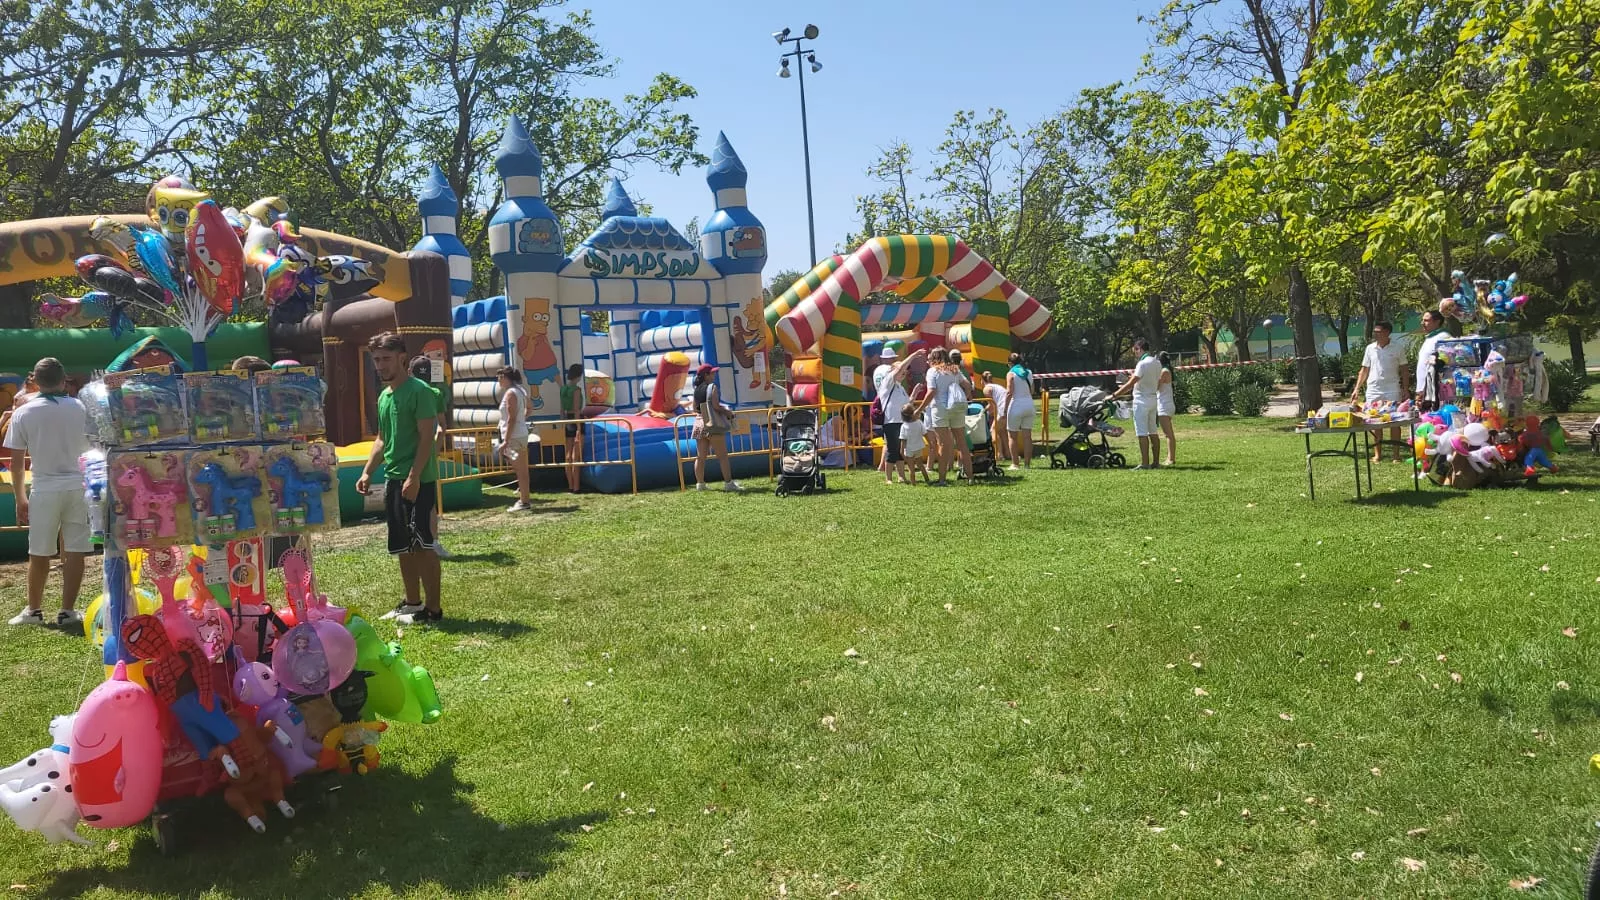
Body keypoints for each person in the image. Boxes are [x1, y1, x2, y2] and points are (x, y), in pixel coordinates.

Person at [357, 334, 442, 625]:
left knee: (422, 544)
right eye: (376, 359)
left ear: (402, 357)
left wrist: (414, 477)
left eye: (386, 359)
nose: (380, 365)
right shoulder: (384, 396)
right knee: (402, 545)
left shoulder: (420, 391)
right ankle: (412, 603)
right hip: (393, 479)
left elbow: (426, 438)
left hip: (418, 479)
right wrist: (367, 471)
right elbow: (382, 439)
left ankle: (433, 610)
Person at [5, 358, 89, 626]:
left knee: (39, 552)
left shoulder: (24, 412)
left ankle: (34, 611)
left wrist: (20, 497)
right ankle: (67, 611)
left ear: (35, 381)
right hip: (78, 486)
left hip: (44, 488)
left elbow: (17, 463)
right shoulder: (80, 407)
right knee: (76, 549)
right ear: (64, 380)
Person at [409, 356, 453, 557]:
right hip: (425, 454)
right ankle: (432, 541)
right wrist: (434, 449)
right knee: (429, 502)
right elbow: (443, 427)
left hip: (405, 454)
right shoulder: (435, 393)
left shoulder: (402, 392)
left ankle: (413, 541)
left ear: (410, 371)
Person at [1351, 320, 1410, 462]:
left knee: (1394, 422)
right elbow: (1364, 370)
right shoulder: (1370, 348)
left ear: (1387, 332)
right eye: (1375, 332)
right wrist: (1357, 388)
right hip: (1373, 390)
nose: (1375, 334)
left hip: (1392, 389)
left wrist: (1405, 388)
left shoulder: (1398, 348)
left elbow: (1404, 370)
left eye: (1378, 332)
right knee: (1375, 421)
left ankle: (1396, 455)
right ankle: (1377, 454)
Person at [1111, 338, 1164, 469]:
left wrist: (1114, 395)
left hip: (1141, 400)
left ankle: (1145, 463)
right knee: (1153, 432)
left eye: (1135, 350)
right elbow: (1156, 382)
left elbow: (1130, 384)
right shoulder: (1157, 362)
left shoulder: (1142, 363)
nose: (1135, 353)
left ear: (1139, 348)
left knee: (1142, 433)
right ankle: (1155, 462)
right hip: (1153, 398)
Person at [873, 346, 922, 485]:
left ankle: (901, 476)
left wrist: (915, 393)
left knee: (900, 450)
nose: (903, 374)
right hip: (891, 421)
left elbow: (908, 403)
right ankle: (888, 478)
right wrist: (913, 355)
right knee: (892, 450)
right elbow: (899, 369)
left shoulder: (900, 387)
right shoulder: (888, 382)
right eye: (902, 372)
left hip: (901, 421)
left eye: (905, 373)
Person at [691, 364, 743, 492]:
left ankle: (700, 484)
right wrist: (727, 413)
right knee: (722, 456)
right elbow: (715, 406)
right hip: (712, 424)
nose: (714, 375)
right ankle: (728, 483)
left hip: (699, 422)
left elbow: (694, 408)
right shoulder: (712, 387)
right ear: (706, 375)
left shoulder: (696, 390)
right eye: (712, 373)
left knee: (700, 456)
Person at [924, 348, 971, 485]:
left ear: (934, 358)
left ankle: (942, 479)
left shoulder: (933, 371)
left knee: (943, 445)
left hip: (940, 409)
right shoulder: (955, 369)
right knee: (962, 444)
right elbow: (967, 385)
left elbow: (931, 392)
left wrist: (920, 408)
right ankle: (970, 477)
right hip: (957, 408)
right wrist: (966, 398)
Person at [499, 366, 533, 509]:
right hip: (521, 433)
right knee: (522, 470)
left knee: (521, 470)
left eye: (500, 377)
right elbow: (529, 408)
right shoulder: (521, 390)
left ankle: (524, 501)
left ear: (507, 378)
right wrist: (521, 419)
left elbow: (511, 418)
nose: (498, 380)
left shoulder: (510, 393)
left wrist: (506, 441)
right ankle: (524, 498)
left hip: (513, 436)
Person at [1002, 353, 1036, 470]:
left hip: (1016, 405)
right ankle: (1027, 464)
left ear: (1010, 363)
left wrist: (1005, 409)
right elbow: (1032, 390)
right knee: (1027, 436)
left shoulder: (1010, 373)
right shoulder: (1029, 373)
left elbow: (1009, 392)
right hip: (1029, 405)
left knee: (1012, 436)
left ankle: (1015, 464)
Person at [1412, 309, 1450, 409]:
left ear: (1437, 322)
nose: (1422, 323)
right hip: (1422, 387)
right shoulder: (1429, 338)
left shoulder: (1443, 337)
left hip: (1435, 389)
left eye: (1426, 320)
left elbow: (1446, 360)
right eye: (1422, 320)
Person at [557, 363, 585, 495]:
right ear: (579, 375)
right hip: (576, 419)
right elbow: (576, 409)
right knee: (576, 456)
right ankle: (576, 487)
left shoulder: (563, 389)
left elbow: (562, 410)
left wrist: (563, 424)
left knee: (567, 455)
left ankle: (569, 485)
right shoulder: (576, 390)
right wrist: (579, 428)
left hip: (567, 419)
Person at [977, 372, 1012, 465]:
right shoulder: (996, 386)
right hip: (1009, 408)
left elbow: (992, 406)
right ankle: (1008, 454)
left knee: (993, 430)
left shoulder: (986, 389)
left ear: (982, 380)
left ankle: (999, 454)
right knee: (1002, 432)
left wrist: (983, 411)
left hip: (1002, 409)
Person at [1156, 352, 1178, 467]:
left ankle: (1171, 458)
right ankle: (1170, 457)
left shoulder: (1164, 371)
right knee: (1169, 434)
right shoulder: (1167, 370)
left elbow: (1156, 386)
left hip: (1164, 406)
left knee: (1168, 434)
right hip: (1167, 404)